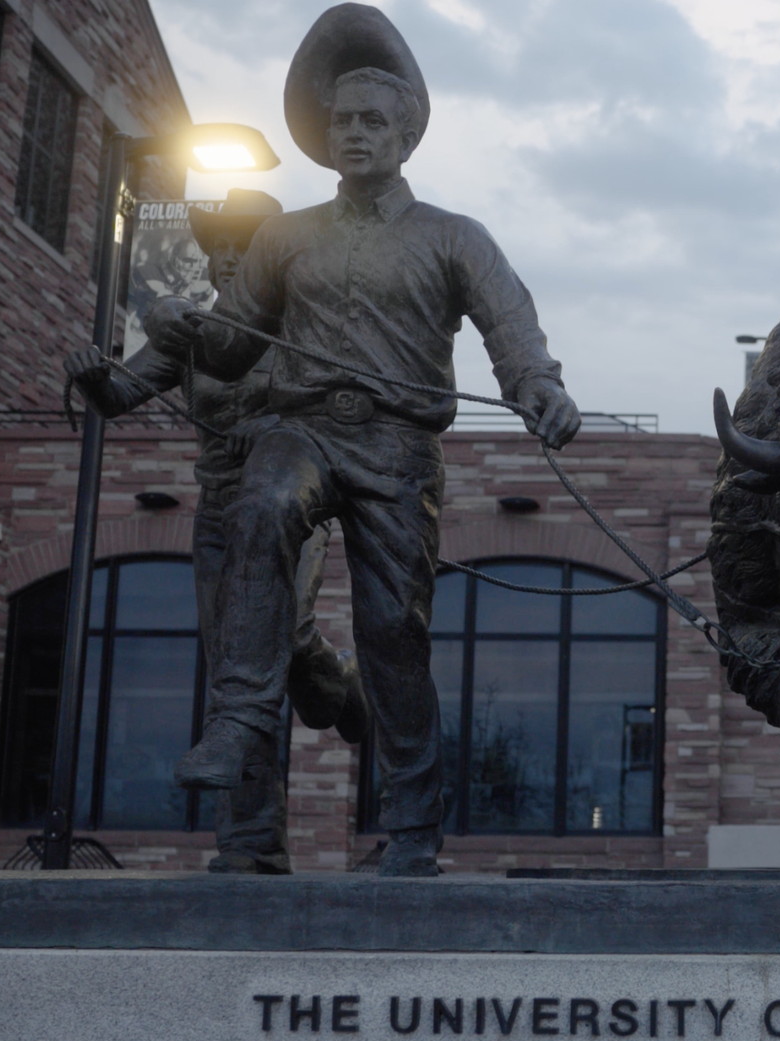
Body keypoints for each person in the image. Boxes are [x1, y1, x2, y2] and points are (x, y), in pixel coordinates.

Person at [140, 4, 582, 877]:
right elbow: (233, 346)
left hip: (397, 450)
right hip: (300, 430)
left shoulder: (453, 238)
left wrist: (540, 390)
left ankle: (414, 828)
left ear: (406, 135)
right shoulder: (284, 236)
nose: (353, 135)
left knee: (391, 635)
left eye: (372, 121)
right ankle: (235, 720)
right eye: (341, 121)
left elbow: (513, 333)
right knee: (263, 503)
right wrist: (182, 327)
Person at [66, 188, 366, 875]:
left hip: (293, 511)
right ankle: (251, 845)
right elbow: (119, 396)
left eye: (244, 246)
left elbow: (345, 418)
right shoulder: (191, 335)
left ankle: (343, 686)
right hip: (221, 514)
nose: (228, 257)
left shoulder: (307, 330)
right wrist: (90, 375)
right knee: (236, 674)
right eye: (220, 247)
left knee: (280, 638)